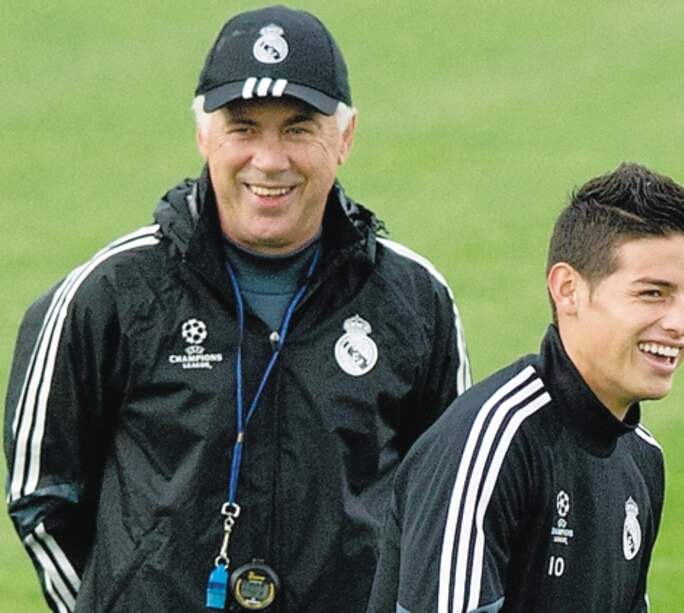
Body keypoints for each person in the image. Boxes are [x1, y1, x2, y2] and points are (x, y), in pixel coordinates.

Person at [4, 6, 470, 612]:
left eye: (299, 128)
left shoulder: (414, 299)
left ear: (345, 138)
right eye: (243, 128)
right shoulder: (109, 293)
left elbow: (448, 507)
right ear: (204, 135)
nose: (270, 160)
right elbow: (43, 495)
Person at [367, 162, 684, 613]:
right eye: (652, 294)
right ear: (568, 290)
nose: (680, 323)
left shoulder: (642, 459)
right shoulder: (493, 442)